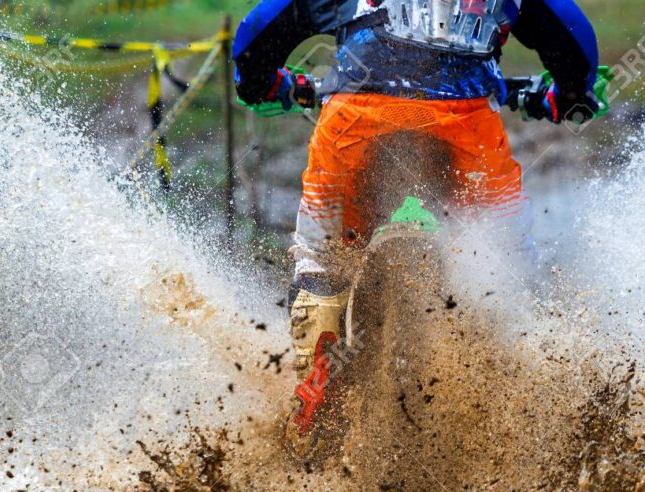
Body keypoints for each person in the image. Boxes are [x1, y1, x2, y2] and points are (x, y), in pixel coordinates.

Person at [233, 0, 601, 439]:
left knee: (320, 257)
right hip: (465, 124)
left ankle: (316, 392)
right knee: (510, 264)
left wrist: (261, 83)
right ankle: (518, 403)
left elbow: (257, 34)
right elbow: (570, 32)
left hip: (356, 116)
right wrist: (572, 92)